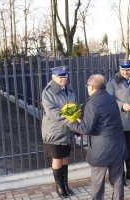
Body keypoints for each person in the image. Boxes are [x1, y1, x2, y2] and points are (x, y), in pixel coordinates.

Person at [67, 74, 126, 200]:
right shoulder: (111, 99)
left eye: (88, 86)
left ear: (92, 86)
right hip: (117, 146)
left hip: (101, 150)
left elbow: (86, 128)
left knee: (97, 183)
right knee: (117, 180)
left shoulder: (93, 102)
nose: (87, 88)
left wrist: (72, 123)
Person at [106, 59, 130, 185]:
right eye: (122, 69)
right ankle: (120, 176)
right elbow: (108, 99)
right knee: (120, 151)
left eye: (127, 69)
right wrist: (122, 105)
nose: (125, 72)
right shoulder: (112, 82)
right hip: (119, 122)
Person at [41, 65, 76, 198]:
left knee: (65, 157)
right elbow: (53, 113)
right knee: (57, 159)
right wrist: (71, 121)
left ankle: (66, 184)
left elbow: (73, 106)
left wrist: (75, 117)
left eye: (65, 76)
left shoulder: (69, 89)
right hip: (54, 131)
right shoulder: (47, 92)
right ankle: (59, 187)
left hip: (67, 130)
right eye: (60, 77)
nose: (63, 79)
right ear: (53, 77)